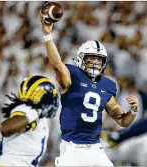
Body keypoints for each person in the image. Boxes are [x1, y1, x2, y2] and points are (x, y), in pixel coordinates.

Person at [39, 14, 140, 166]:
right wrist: (48, 35)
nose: (95, 63)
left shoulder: (107, 85)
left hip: (95, 148)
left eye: (99, 60)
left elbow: (122, 121)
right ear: (81, 59)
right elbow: (57, 65)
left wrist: (133, 111)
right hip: (72, 148)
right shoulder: (73, 76)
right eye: (91, 58)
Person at [0, 75, 59, 167]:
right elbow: (5, 129)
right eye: (50, 94)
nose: (53, 99)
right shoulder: (27, 109)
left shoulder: (36, 116)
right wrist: (37, 112)